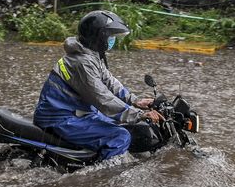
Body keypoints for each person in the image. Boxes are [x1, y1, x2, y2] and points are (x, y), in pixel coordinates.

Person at [34, 10, 164, 160]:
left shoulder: (90, 55)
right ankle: (107, 176)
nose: (112, 40)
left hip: (78, 112)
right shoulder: (82, 62)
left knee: (123, 125)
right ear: (98, 37)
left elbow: (110, 82)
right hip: (60, 118)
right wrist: (138, 114)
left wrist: (135, 101)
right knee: (120, 136)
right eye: (110, 36)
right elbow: (101, 97)